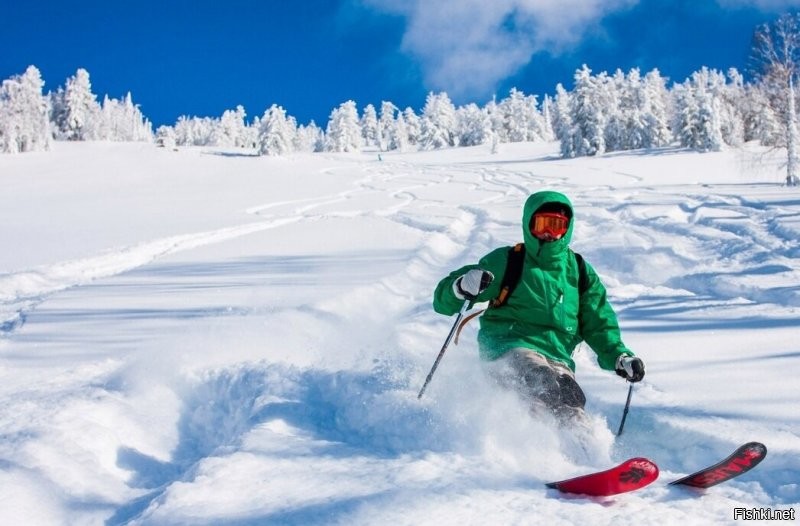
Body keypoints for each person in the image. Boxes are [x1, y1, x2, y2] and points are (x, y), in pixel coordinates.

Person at [433, 190, 644, 423]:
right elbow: (442, 302)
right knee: (540, 382)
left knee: (570, 398)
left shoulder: (580, 272)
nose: (549, 233)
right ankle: (528, 443)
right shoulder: (509, 261)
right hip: (508, 347)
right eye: (542, 224)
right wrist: (461, 287)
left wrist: (619, 356)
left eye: (557, 226)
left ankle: (585, 451)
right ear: (529, 224)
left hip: (558, 358)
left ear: (567, 229)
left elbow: (599, 324)